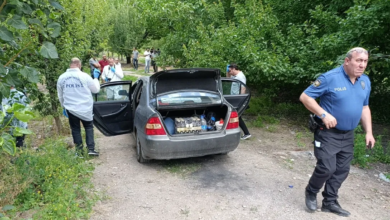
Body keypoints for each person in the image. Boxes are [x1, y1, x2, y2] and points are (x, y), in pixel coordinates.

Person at [300, 47, 375, 217]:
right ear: (347, 61)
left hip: (348, 134)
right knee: (327, 167)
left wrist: (368, 132)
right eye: (358, 61)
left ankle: (330, 202)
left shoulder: (365, 81)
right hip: (327, 132)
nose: (362, 65)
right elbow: (305, 97)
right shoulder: (330, 78)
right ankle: (311, 191)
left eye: (365, 61)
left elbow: (365, 107)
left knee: (342, 170)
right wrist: (323, 114)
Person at [57, 58, 101, 156]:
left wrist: (63, 106)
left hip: (71, 108)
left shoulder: (62, 77)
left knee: (75, 129)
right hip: (85, 108)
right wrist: (96, 78)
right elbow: (96, 90)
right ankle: (91, 149)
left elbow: (60, 95)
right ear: (79, 65)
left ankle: (79, 152)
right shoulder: (84, 76)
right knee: (88, 127)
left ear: (71, 65)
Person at [227, 63, 251, 140]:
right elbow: (228, 78)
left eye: (230, 71)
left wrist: (241, 100)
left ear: (234, 69)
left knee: (237, 116)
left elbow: (243, 88)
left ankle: (247, 133)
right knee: (236, 116)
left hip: (238, 100)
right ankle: (242, 132)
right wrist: (227, 70)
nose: (230, 72)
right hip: (234, 99)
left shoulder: (241, 76)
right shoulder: (235, 76)